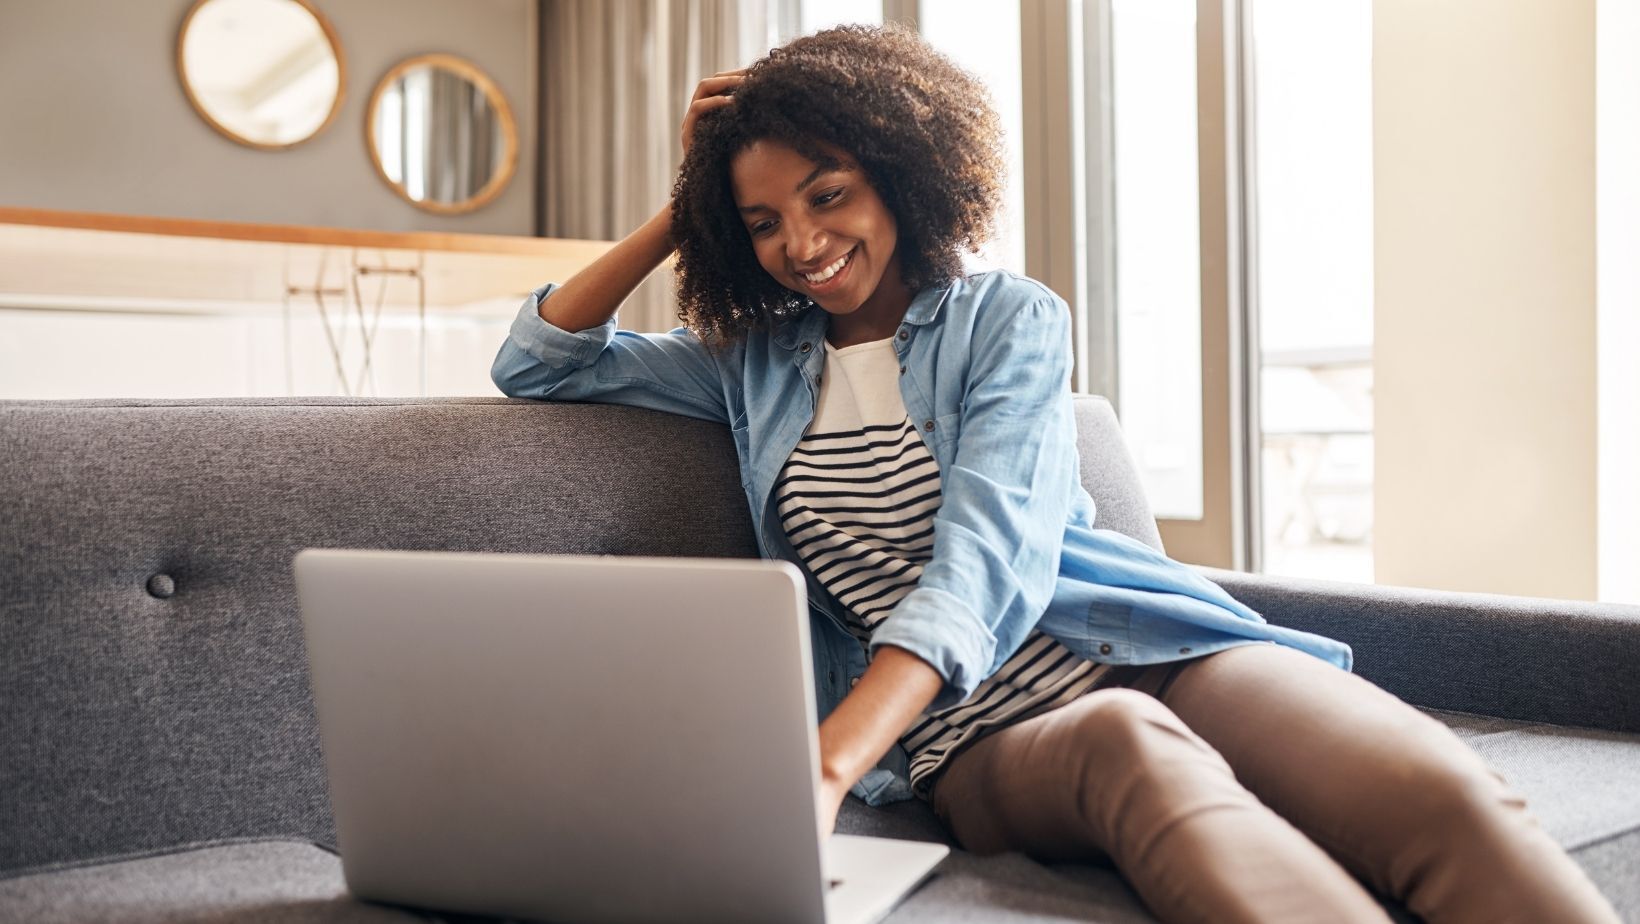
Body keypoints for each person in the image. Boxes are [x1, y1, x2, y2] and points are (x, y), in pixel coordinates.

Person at [491, 23, 1621, 924]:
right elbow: (537, 362)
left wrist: (826, 759)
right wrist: (683, 206)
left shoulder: (1004, 320)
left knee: (1438, 792)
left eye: (825, 195)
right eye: (763, 221)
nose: (800, 242)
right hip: (970, 740)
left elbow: (988, 555)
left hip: (1153, 651)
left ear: (897, 169)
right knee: (1131, 755)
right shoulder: (749, 367)